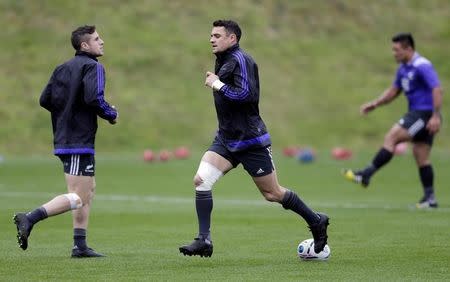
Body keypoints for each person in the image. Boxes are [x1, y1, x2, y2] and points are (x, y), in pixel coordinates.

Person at [179, 20, 329, 258]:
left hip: (250, 141)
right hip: (226, 139)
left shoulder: (242, 60)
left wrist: (217, 84)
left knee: (273, 194)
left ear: (232, 39)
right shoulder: (224, 60)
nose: (211, 39)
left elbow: (248, 96)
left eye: (217, 35)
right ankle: (204, 239)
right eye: (211, 35)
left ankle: (316, 220)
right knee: (201, 180)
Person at [13, 25, 118, 257]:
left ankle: (79, 246)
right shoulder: (94, 67)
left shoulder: (62, 68)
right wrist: (111, 114)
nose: (102, 42)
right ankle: (29, 218)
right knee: (79, 196)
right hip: (78, 140)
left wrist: (66, 115)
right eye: (97, 39)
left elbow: (45, 99)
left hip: (66, 138)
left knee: (88, 190)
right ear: (84, 45)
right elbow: (94, 98)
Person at [343, 33, 443, 209]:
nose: (394, 53)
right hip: (419, 114)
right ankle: (430, 198)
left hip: (424, 114)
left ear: (409, 49)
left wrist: (435, 116)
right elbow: (393, 92)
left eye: (396, 50)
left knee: (392, 137)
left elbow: (436, 88)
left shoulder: (422, 65)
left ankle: (366, 174)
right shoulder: (403, 68)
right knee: (421, 155)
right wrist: (374, 104)